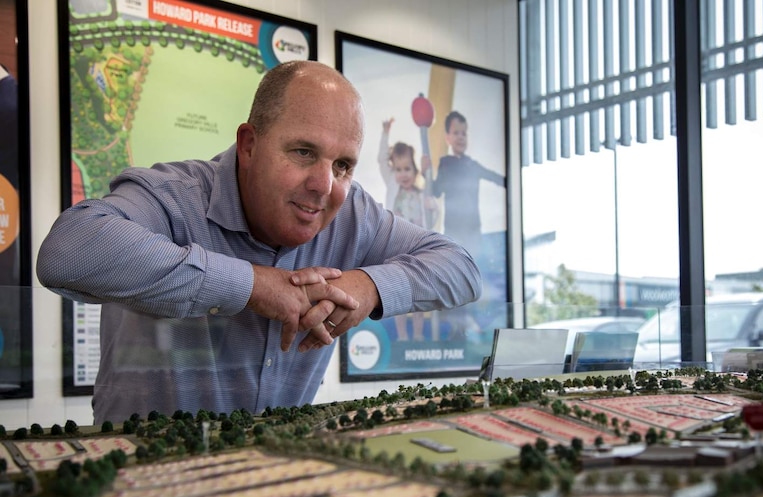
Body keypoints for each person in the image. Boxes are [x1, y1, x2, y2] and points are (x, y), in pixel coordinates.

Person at [37, 61, 482, 424]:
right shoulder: (173, 194)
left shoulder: (354, 214)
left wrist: (367, 287)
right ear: (249, 145)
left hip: (271, 485)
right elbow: (68, 250)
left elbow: (461, 267)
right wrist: (252, 287)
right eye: (304, 152)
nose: (324, 185)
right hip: (141, 483)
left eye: (343, 164)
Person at [432, 110, 504, 339]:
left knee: (473, 280)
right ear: (448, 138)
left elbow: (496, 177)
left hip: (474, 232)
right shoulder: (445, 163)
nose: (461, 137)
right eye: (456, 133)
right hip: (454, 232)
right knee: (455, 279)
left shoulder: (473, 165)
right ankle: (457, 326)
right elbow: (436, 190)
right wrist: (426, 169)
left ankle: (467, 325)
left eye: (464, 133)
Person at [377, 118, 438, 341]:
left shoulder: (421, 195)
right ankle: (403, 336)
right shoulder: (393, 186)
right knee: (399, 294)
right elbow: (382, 162)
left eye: (408, 169)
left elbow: (431, 220)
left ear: (415, 170)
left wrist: (435, 207)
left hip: (418, 249)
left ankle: (419, 335)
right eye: (399, 169)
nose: (403, 174)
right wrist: (385, 133)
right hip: (397, 248)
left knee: (419, 294)